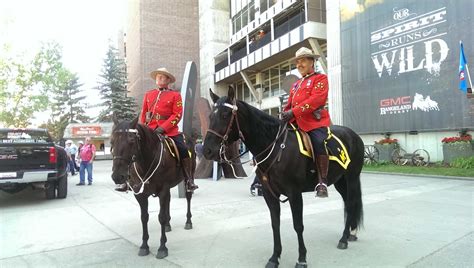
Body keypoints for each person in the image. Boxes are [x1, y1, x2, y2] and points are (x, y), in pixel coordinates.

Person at [115, 67, 198, 192]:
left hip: (169, 131)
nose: (159, 78)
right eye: (158, 76)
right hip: (149, 130)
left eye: (162, 76)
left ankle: (188, 180)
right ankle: (128, 181)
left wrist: (163, 128)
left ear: (168, 80)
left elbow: (177, 115)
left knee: (183, 149)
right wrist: (143, 129)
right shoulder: (149, 94)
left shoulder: (175, 95)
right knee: (132, 148)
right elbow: (144, 113)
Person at [281, 47, 331, 198]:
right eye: (297, 61)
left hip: (313, 122)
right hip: (295, 121)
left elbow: (316, 100)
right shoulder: (296, 85)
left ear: (312, 61)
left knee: (318, 141)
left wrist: (293, 112)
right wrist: (284, 113)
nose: (299, 64)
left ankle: (322, 181)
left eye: (303, 60)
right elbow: (289, 104)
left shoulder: (320, 78)